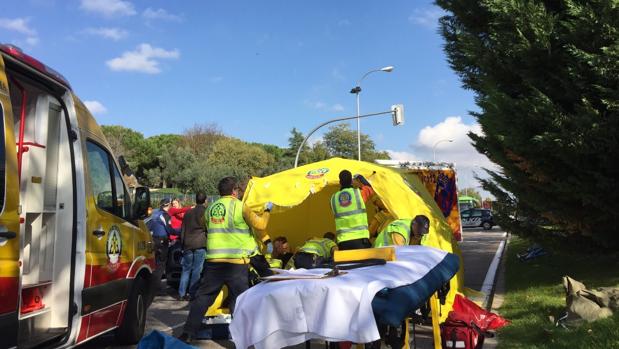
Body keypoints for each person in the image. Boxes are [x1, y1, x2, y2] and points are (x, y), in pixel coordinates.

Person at [178, 177, 273, 343]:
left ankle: (187, 333)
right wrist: (267, 210)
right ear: (234, 191)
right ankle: (243, 339)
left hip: (214, 263)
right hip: (236, 264)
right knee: (240, 300)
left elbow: (207, 227)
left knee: (203, 298)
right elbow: (260, 225)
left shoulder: (210, 209)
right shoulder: (240, 206)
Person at [178, 192, 208, 301]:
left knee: (186, 269)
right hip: (200, 244)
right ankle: (192, 293)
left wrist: (182, 244)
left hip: (187, 244)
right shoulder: (206, 213)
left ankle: (181, 293)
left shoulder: (188, 213)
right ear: (205, 200)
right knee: (197, 270)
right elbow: (207, 229)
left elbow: (183, 229)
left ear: (195, 200)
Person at [330, 170, 371, 250]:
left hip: (343, 242)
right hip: (361, 240)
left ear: (340, 182)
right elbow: (369, 188)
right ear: (351, 181)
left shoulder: (333, 199)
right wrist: (359, 180)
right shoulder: (359, 194)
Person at [147, 199, 177, 281]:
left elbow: (148, 226)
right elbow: (170, 230)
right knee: (161, 264)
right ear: (168, 205)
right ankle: (156, 286)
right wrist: (181, 231)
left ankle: (151, 285)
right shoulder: (165, 215)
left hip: (153, 240)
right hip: (162, 242)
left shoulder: (154, 213)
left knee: (154, 264)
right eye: (170, 204)